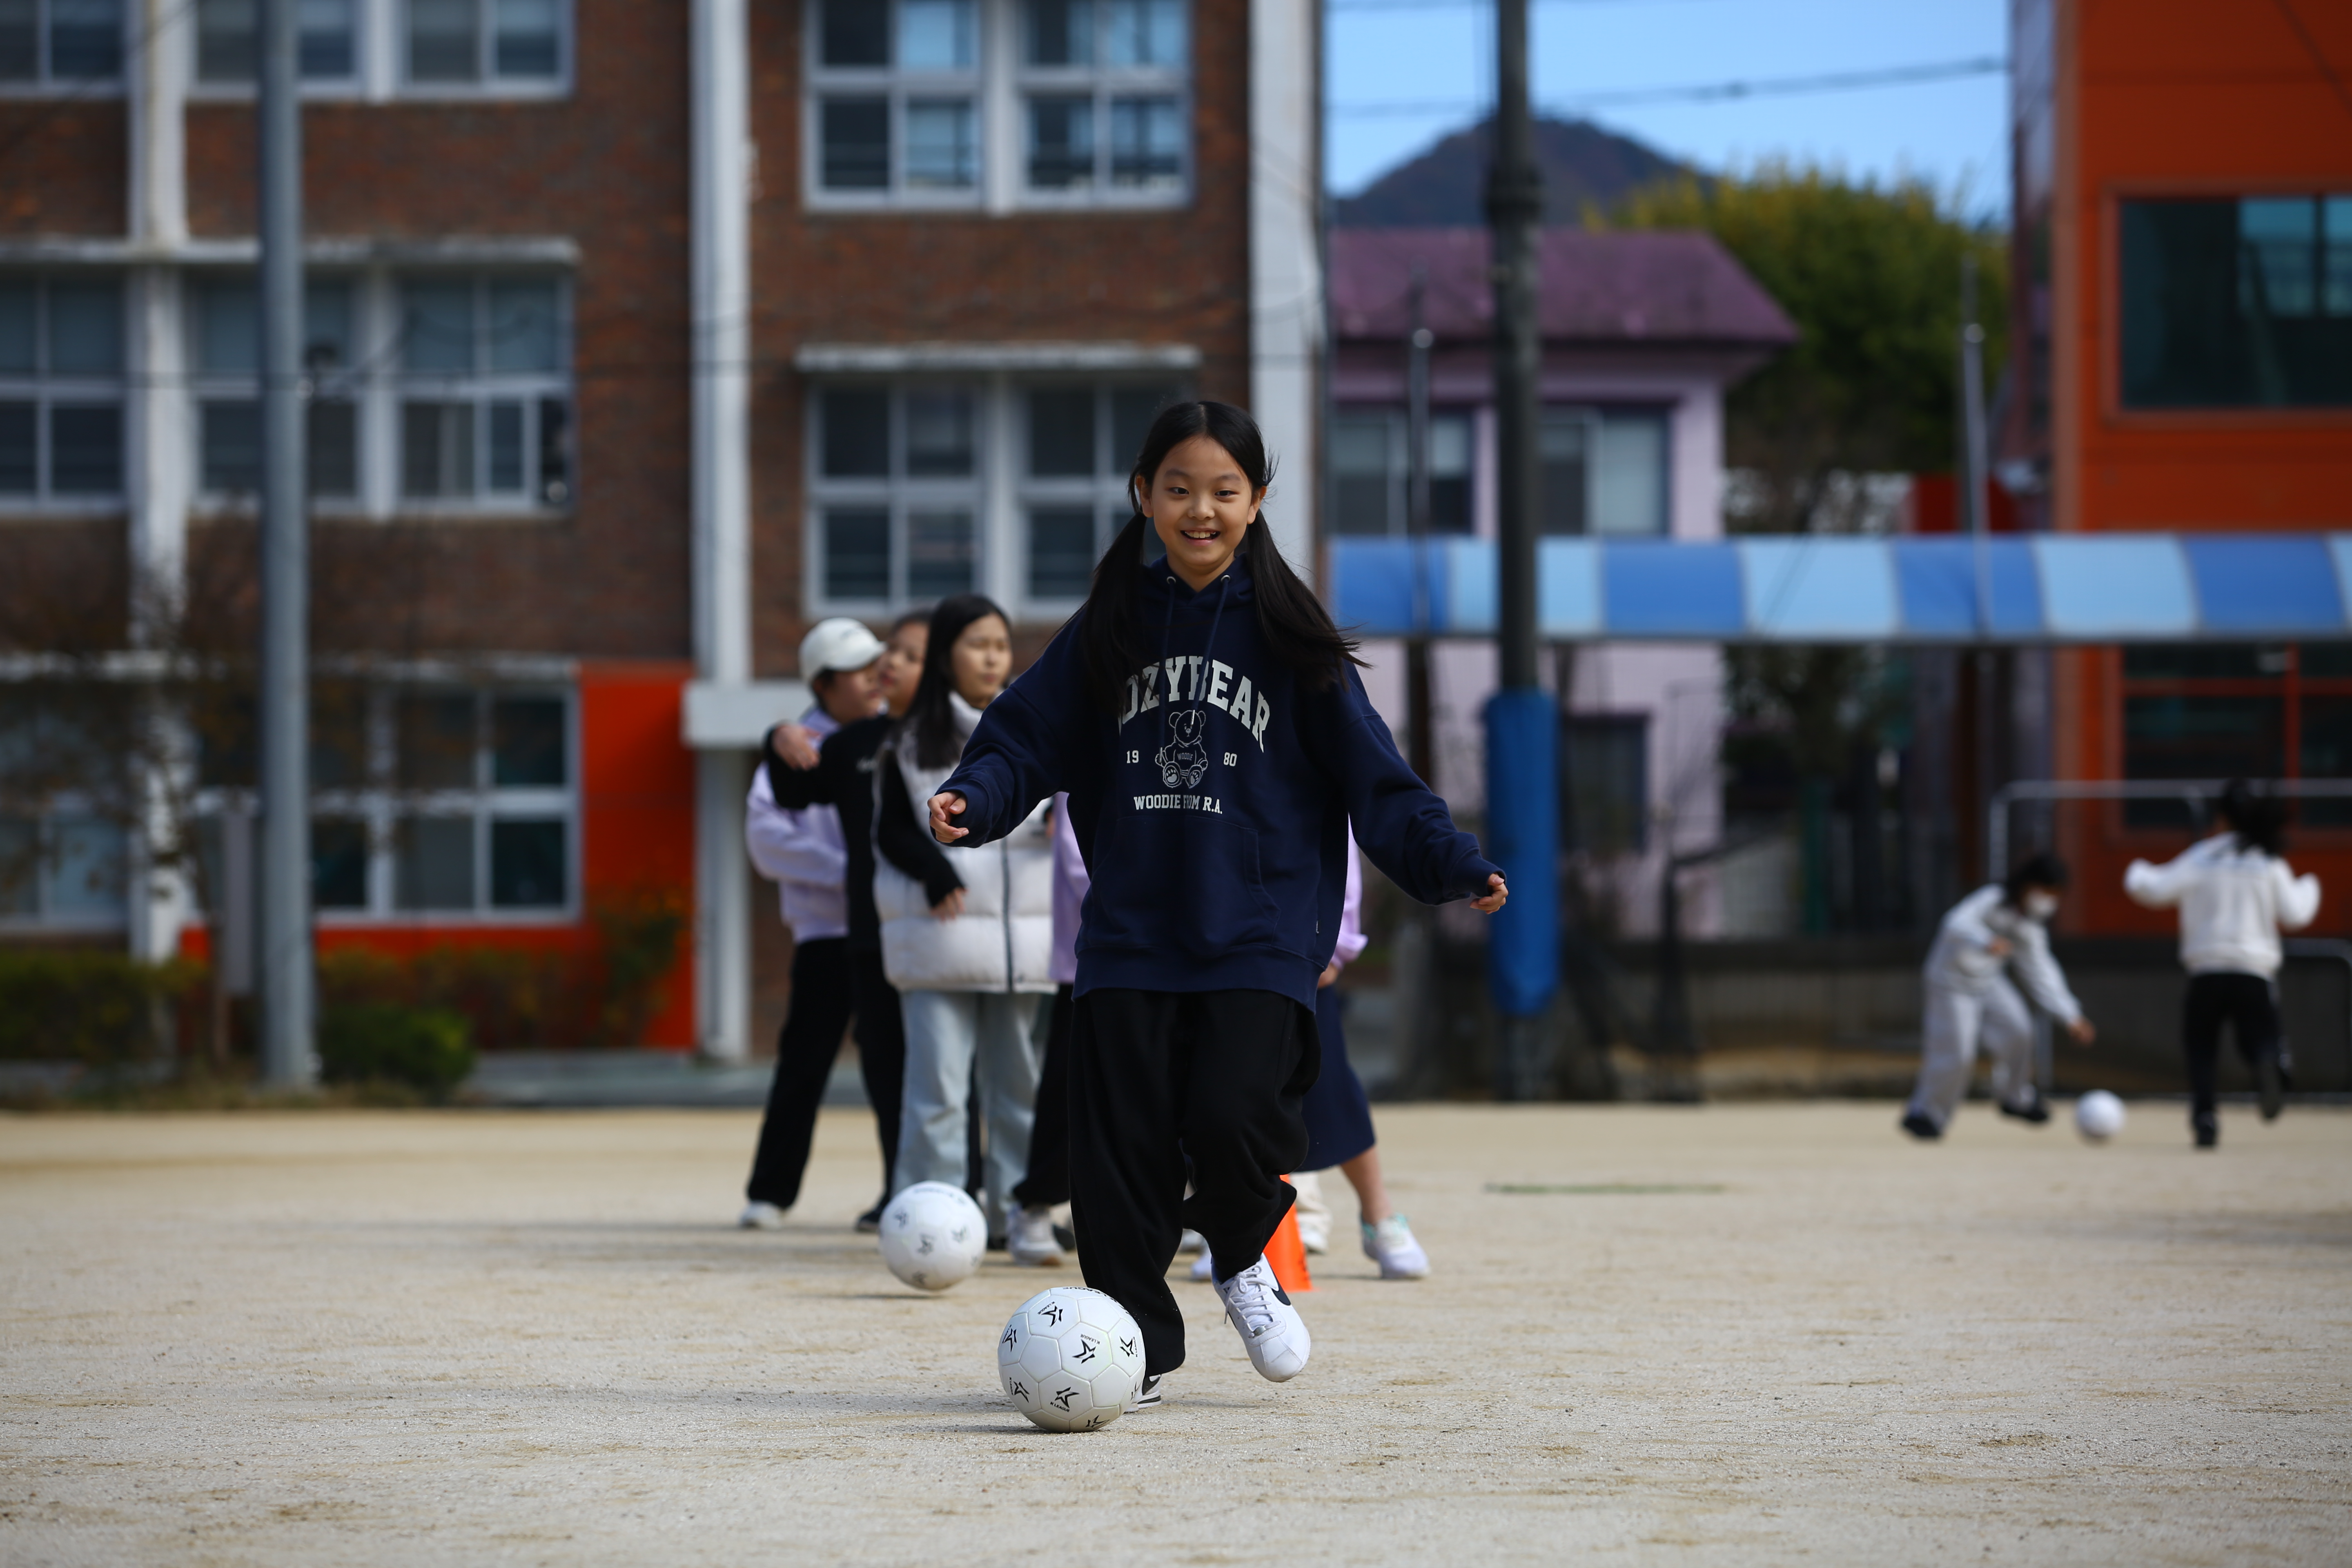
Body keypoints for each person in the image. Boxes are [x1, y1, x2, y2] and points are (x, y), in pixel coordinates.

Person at [926, 400, 1507, 1408]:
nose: (1201, 509)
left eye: (1224, 491)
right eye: (1180, 489)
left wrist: (1445, 859)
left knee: (1242, 1120)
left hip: (1257, 931)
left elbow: (1378, 779)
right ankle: (1134, 1345)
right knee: (1120, 1157)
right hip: (1131, 935)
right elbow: (1023, 737)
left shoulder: (1294, 641)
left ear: (1257, 502)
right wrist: (973, 799)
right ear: (1144, 496)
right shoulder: (1108, 628)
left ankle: (1240, 1253)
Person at [873, 595, 1056, 1244]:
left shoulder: (1039, 728)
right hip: (940, 940)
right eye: (977, 645)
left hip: (1022, 945)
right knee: (938, 1093)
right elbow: (892, 831)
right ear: (946, 656)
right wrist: (934, 871)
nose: (992, 658)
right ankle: (929, 1221)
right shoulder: (908, 740)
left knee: (1020, 1089)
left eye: (1000, 646)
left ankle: (1018, 1213)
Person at [750, 611, 941, 1230]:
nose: (874, 678)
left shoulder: (901, 732)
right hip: (827, 932)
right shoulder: (798, 746)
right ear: (823, 684)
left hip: (893, 925)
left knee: (899, 1065)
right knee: (804, 1062)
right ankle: (770, 1192)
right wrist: (857, 872)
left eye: (876, 666)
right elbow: (767, 839)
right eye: (857, 672)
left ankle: (900, 1191)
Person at [1194, 831, 1429, 1281]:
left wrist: (1337, 943)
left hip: (1300, 939)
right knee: (1216, 1089)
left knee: (1328, 1081)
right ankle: (1223, 1228)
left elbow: (1338, 840)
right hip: (1218, 943)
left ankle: (1379, 1216)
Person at [2125, 780, 2320, 1148]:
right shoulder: (2267, 861)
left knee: (2201, 1047)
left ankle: (2205, 1116)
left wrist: (2136, 870)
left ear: (2221, 817)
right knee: (2259, 1037)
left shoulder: (2202, 857)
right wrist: (2310, 886)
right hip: (2253, 969)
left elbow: (2154, 889)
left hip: (2207, 970)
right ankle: (2267, 1062)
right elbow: (2295, 913)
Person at [1901, 853, 2096, 1142]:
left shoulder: (2029, 926)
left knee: (2020, 1030)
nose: (2049, 900)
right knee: (1958, 1054)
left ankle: (2016, 1098)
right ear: (2029, 884)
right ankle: (1926, 1114)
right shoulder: (1993, 898)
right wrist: (1985, 940)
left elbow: (2042, 971)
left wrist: (2071, 1015)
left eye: (2055, 895)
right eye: (2046, 891)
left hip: (1988, 981)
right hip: (1950, 982)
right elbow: (1954, 922)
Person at [1006, 794, 1085, 1267]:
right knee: (1068, 1090)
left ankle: (1189, 1210)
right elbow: (1079, 862)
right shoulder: (1094, 756)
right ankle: (1035, 1205)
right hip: (1095, 960)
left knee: (1176, 1092)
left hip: (1189, 959)